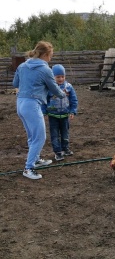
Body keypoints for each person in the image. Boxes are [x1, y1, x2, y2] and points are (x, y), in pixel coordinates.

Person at [13, 41, 66, 180]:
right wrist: (63, 94)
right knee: (40, 137)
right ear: (45, 54)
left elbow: (15, 83)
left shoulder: (22, 66)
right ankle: (28, 168)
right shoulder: (45, 69)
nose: (51, 58)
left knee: (32, 136)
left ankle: (35, 160)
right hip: (32, 105)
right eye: (50, 55)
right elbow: (54, 88)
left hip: (20, 104)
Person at [42, 64, 78, 161]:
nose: (60, 79)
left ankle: (65, 148)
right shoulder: (49, 88)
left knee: (65, 133)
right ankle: (57, 152)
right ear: (53, 77)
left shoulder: (69, 87)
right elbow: (44, 100)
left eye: (62, 76)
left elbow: (73, 99)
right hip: (53, 115)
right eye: (58, 77)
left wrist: (72, 111)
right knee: (54, 134)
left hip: (65, 115)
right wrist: (44, 111)